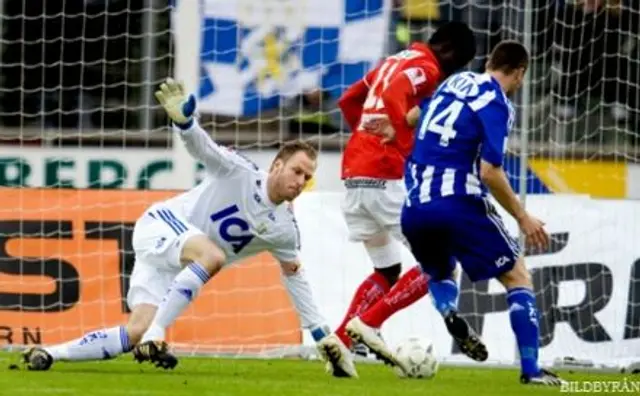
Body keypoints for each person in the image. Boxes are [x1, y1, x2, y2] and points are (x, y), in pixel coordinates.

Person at [23, 78, 354, 377]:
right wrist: (184, 122)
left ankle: (49, 353)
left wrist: (321, 334)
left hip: (173, 264)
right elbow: (203, 148)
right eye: (297, 172)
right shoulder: (239, 171)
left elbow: (295, 277)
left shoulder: (284, 228)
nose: (301, 181)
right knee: (212, 256)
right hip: (160, 225)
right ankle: (158, 333)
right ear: (277, 165)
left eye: (307, 177)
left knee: (132, 333)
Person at [349, 40, 566, 386]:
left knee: (442, 269)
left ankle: (449, 310)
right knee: (517, 276)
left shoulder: (454, 81)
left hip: (415, 206)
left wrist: (395, 129)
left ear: (490, 61)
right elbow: (490, 171)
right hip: (459, 202)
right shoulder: (497, 101)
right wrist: (522, 217)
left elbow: (414, 115)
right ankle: (532, 370)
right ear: (520, 73)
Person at [317, 22, 482, 377]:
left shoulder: (395, 59)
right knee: (439, 262)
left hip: (356, 173)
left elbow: (349, 99)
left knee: (387, 269)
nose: (450, 73)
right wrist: (406, 146)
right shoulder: (427, 67)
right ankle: (368, 324)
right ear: (450, 51)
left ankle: (342, 343)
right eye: (458, 64)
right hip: (387, 173)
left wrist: (365, 135)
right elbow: (394, 94)